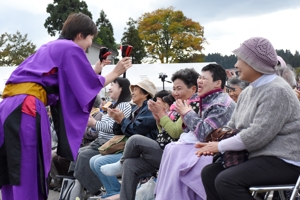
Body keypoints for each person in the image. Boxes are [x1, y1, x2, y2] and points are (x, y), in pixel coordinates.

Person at [0, 13, 132, 200]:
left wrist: (94, 72)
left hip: (9, 106)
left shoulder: (51, 47)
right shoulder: (70, 47)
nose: (88, 47)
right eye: (90, 40)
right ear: (80, 35)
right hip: (26, 107)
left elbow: (70, 83)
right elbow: (85, 85)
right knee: (27, 168)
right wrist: (117, 71)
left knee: (10, 168)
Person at [197, 37, 300, 200]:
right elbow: (233, 126)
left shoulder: (277, 90)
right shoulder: (248, 92)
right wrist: (215, 142)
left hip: (285, 160)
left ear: (255, 62)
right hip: (261, 157)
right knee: (209, 173)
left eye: (240, 59)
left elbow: (257, 136)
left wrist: (220, 145)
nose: (236, 65)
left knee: (226, 181)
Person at [89, 79, 158, 199]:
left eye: (136, 89)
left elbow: (136, 131)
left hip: (143, 152)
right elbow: (119, 132)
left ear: (145, 93)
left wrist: (121, 120)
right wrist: (117, 119)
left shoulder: (149, 108)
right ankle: (115, 193)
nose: (133, 92)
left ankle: (114, 191)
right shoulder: (135, 109)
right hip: (132, 151)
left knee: (99, 161)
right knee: (93, 160)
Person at [71, 77, 132, 196]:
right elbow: (105, 127)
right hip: (102, 141)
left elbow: (114, 128)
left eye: (113, 85)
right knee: (77, 153)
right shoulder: (113, 105)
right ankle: (83, 186)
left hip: (111, 143)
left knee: (84, 156)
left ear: (121, 89)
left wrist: (94, 124)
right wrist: (94, 125)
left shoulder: (124, 106)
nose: (110, 88)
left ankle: (95, 190)